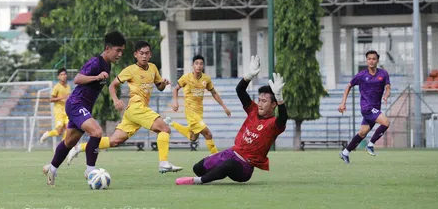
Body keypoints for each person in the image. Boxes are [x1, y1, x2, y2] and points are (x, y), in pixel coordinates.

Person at [67, 41, 183, 173]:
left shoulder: (153, 68)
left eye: (147, 53)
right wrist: (116, 100)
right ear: (135, 55)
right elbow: (112, 85)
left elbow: (160, 87)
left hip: (134, 113)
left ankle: (79, 148)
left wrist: (163, 83)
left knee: (114, 141)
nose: (144, 56)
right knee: (164, 129)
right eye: (141, 53)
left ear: (150, 54)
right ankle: (163, 163)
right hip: (136, 108)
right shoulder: (130, 70)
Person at [175, 55, 287, 185]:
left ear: (273, 105)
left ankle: (198, 181)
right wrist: (248, 76)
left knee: (228, 165)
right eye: (259, 100)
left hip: (245, 166)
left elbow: (283, 117)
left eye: (264, 101)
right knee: (198, 168)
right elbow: (240, 90)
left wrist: (279, 98)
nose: (260, 104)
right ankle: (213, 172)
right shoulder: (253, 110)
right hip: (230, 152)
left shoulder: (274, 124)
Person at [42, 31, 126, 186]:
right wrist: (96, 77)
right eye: (118, 50)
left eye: (122, 51)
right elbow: (77, 79)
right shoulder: (96, 62)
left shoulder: (108, 65)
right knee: (97, 132)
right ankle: (90, 171)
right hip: (76, 104)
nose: (120, 54)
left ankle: (51, 169)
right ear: (108, 48)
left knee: (68, 142)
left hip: (83, 106)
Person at [165, 54, 231, 154]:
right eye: (196, 63)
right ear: (193, 65)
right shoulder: (186, 77)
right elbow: (175, 89)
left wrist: (224, 107)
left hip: (199, 112)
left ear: (203, 66)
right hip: (191, 112)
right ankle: (217, 157)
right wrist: (175, 102)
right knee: (208, 134)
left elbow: (214, 93)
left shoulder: (206, 79)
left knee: (193, 137)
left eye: (201, 64)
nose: (199, 66)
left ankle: (172, 123)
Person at [338, 50, 391, 164]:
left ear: (377, 60)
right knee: (386, 122)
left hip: (376, 108)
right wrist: (343, 102)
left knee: (362, 133)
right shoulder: (361, 75)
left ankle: (345, 152)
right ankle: (370, 145)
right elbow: (348, 86)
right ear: (366, 60)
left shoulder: (383, 73)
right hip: (367, 107)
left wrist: (386, 95)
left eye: (374, 59)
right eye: (369, 59)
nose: (371, 61)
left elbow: (388, 87)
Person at [40, 68, 71, 143]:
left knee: (68, 129)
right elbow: (51, 99)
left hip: (67, 111)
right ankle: (48, 134)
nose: (63, 76)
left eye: (64, 74)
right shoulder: (57, 87)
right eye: (61, 75)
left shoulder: (68, 86)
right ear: (58, 77)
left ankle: (63, 147)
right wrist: (62, 98)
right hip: (59, 112)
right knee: (59, 132)